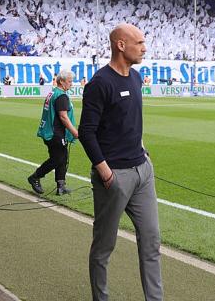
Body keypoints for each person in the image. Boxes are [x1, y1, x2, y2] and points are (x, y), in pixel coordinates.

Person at [79, 23, 163, 301]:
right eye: (139, 42)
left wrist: (143, 151)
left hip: (142, 173)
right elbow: (87, 132)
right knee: (104, 247)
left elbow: (130, 123)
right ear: (121, 45)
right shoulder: (100, 83)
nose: (144, 47)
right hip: (114, 176)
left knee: (151, 241)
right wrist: (105, 173)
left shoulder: (136, 78)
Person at [28, 70, 79, 196]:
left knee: (63, 157)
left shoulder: (53, 93)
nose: (71, 84)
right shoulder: (61, 96)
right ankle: (35, 177)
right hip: (55, 133)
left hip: (50, 131)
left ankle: (61, 186)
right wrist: (74, 132)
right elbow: (63, 117)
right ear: (62, 82)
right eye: (70, 81)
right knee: (58, 158)